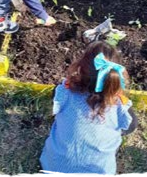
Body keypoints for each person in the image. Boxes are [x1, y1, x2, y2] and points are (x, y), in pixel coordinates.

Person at [40, 41, 138, 174]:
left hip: (54, 167)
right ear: (116, 75)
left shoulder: (65, 91)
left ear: (81, 67)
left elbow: (53, 105)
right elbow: (131, 127)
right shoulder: (120, 105)